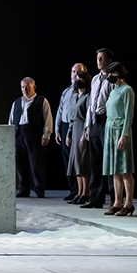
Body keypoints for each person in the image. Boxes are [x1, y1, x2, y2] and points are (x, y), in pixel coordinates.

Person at [8, 76, 54, 199]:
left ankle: (39, 189)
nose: (25, 89)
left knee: (37, 163)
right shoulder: (17, 102)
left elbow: (48, 118)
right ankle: (24, 189)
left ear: (34, 87)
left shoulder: (41, 101)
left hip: (34, 135)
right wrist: (10, 136)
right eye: (23, 87)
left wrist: (46, 135)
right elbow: (11, 120)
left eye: (28, 87)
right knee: (20, 164)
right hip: (19, 134)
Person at [81, 48, 115, 210]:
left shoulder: (113, 78)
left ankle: (115, 199)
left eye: (102, 58)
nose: (99, 61)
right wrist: (87, 125)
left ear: (109, 61)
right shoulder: (95, 79)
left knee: (110, 162)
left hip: (106, 120)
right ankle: (95, 198)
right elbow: (91, 105)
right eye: (97, 58)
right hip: (95, 122)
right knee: (95, 162)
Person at [102, 62, 135, 215]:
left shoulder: (127, 90)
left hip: (120, 129)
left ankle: (129, 203)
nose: (109, 76)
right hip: (110, 129)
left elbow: (129, 114)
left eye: (112, 73)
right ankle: (117, 202)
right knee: (115, 170)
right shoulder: (113, 91)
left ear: (119, 73)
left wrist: (124, 134)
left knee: (124, 168)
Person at [56, 64, 91, 204]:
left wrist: (85, 132)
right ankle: (78, 192)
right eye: (74, 73)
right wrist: (66, 133)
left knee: (82, 162)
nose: (76, 77)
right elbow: (63, 112)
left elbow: (89, 116)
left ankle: (85, 193)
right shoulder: (71, 94)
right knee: (75, 162)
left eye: (80, 75)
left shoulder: (88, 96)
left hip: (82, 128)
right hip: (72, 128)